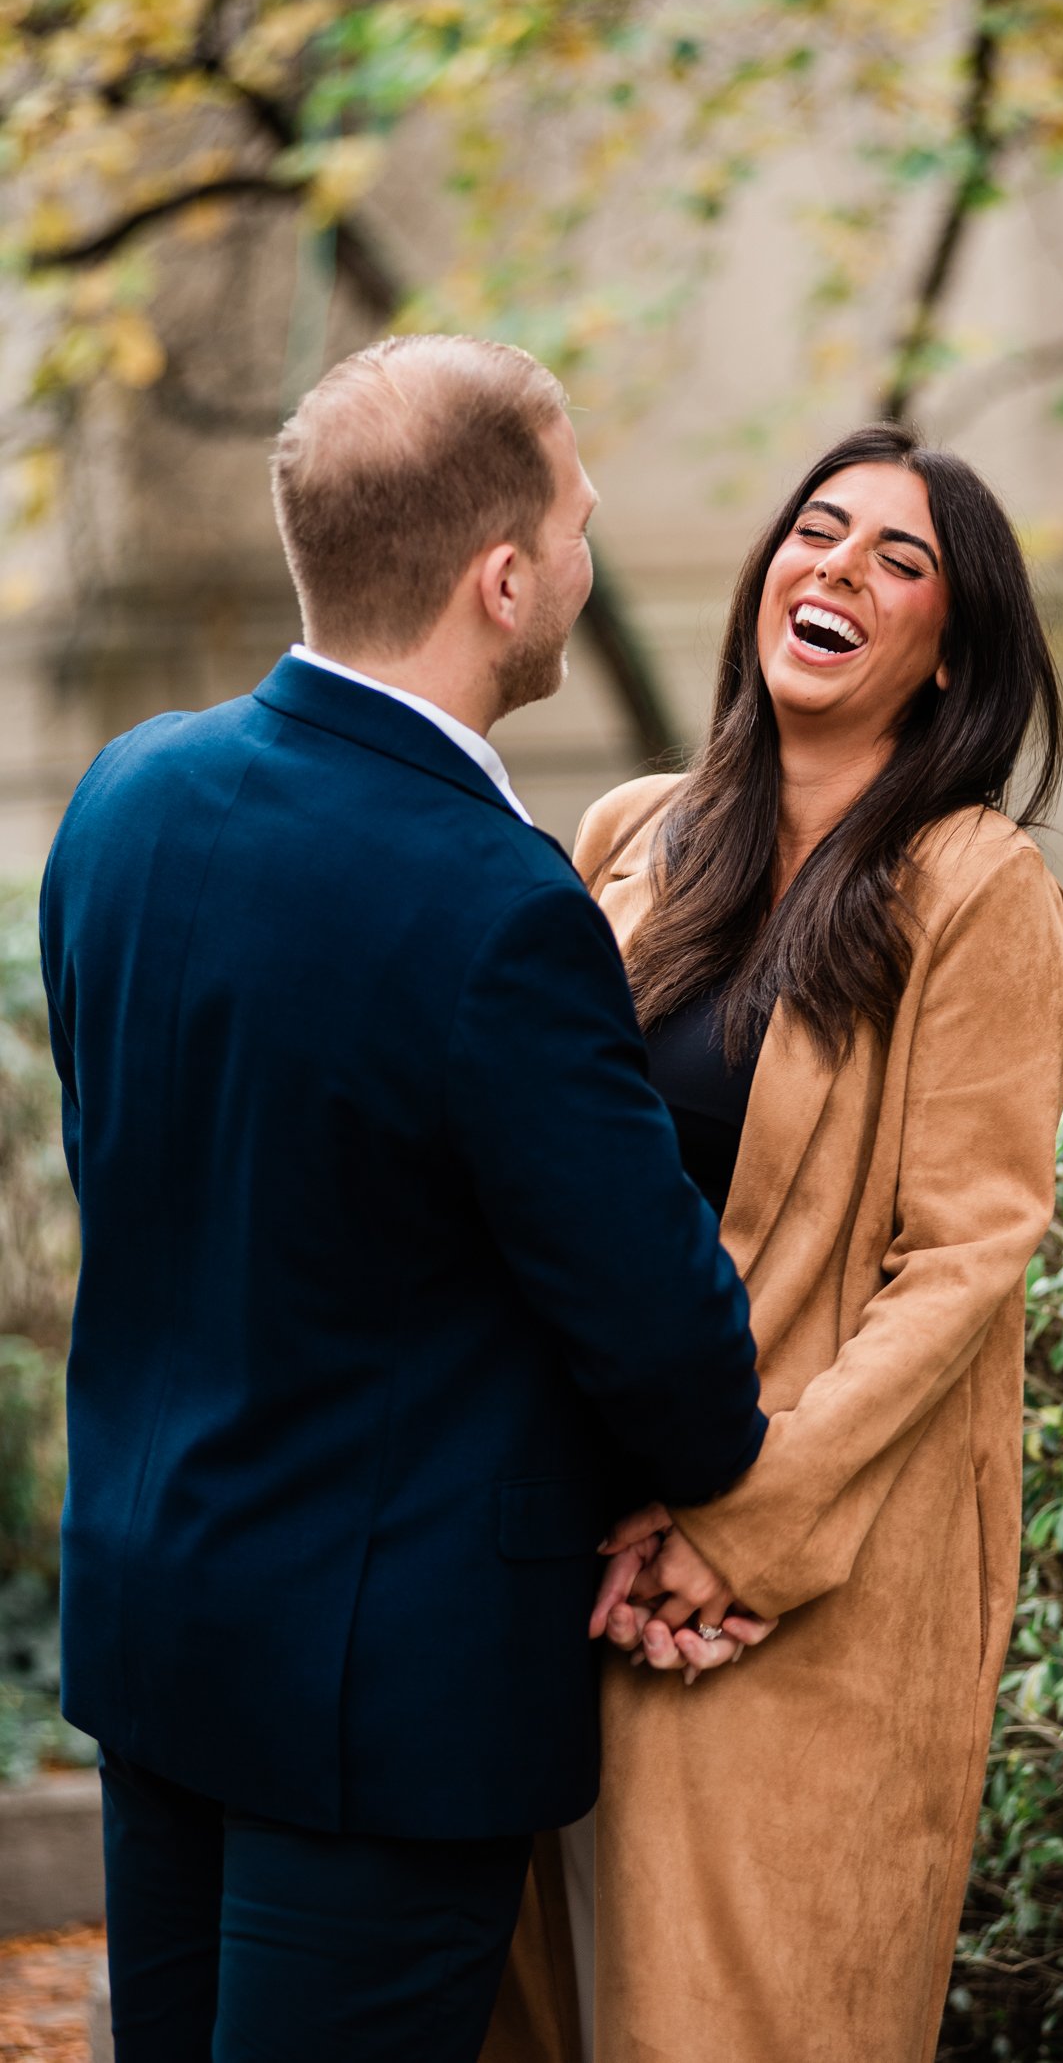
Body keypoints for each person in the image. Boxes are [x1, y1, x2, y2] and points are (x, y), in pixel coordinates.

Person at [37, 334, 768, 2063]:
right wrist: (702, 1488)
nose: (584, 563)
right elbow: (671, 1354)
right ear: (502, 575)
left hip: (156, 1624)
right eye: (579, 526)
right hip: (376, 1703)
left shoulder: (126, 795)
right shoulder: (495, 907)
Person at [485, 423, 1063, 2063]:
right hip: (575, 1554)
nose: (838, 568)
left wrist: (738, 1530)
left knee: (736, 2022)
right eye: (818, 532)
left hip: (791, 1590)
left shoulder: (973, 887)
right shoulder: (635, 837)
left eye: (900, 562)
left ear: (946, 651)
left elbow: (964, 1258)